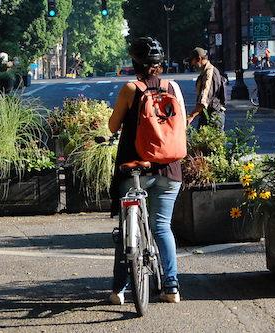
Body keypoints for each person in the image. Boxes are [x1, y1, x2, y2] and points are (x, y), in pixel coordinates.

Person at [108, 37, 186, 305]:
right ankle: (172, 287)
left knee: (126, 228)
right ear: (159, 64)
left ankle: (119, 289)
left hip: (135, 167)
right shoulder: (172, 87)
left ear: (135, 63)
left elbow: (112, 125)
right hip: (169, 167)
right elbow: (182, 124)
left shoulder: (131, 89)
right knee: (162, 227)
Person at [188, 47, 226, 130]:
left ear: (199, 59)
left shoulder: (210, 73)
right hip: (207, 114)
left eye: (193, 61)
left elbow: (204, 99)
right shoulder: (205, 72)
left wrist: (191, 116)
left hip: (213, 116)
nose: (192, 64)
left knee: (207, 142)